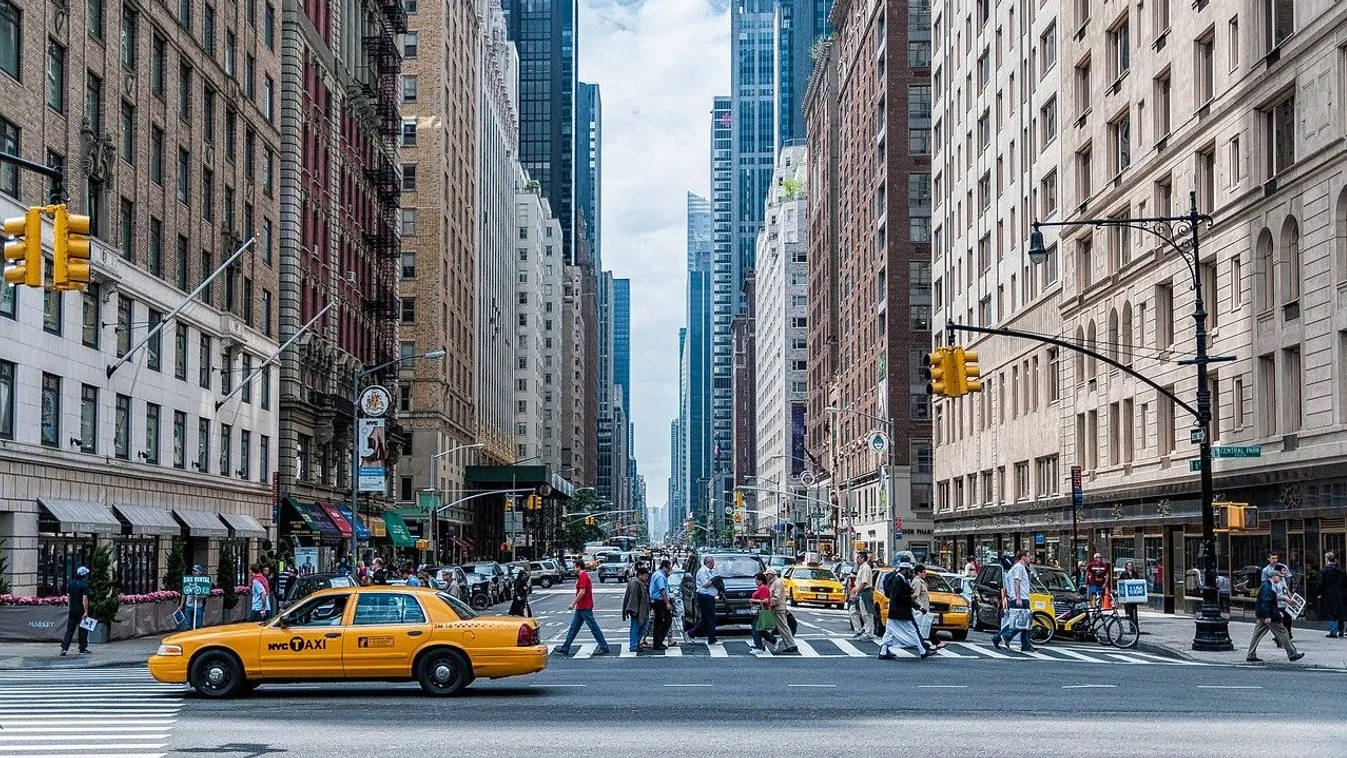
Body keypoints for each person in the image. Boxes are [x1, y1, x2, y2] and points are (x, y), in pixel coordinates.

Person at [554, 561, 611, 656]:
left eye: (574, 567)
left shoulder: (583, 576)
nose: (573, 569)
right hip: (581, 606)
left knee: (593, 627)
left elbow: (582, 591)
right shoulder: (583, 576)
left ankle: (604, 647)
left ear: (579, 567)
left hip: (584, 606)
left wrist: (573, 603)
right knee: (574, 628)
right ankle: (566, 647)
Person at [1247, 570, 1303, 662]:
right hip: (1268, 616)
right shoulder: (1268, 587)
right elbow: (1266, 603)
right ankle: (1292, 654)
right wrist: (1268, 616)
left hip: (1263, 615)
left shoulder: (1269, 586)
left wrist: (1276, 612)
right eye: (1279, 576)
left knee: (1256, 635)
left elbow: (1271, 602)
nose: (1280, 578)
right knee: (1283, 632)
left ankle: (1251, 655)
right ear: (1273, 576)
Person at [877, 562, 929, 660]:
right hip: (900, 613)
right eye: (909, 571)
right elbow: (898, 597)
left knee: (889, 633)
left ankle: (883, 652)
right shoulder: (898, 580)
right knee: (912, 631)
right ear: (904, 570)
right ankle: (922, 651)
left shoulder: (902, 580)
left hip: (895, 612)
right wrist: (917, 605)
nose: (911, 573)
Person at [993, 551, 1036, 652]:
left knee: (1020, 621)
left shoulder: (1014, 569)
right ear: (1023, 557)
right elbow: (1017, 582)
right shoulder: (1019, 568)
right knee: (1022, 621)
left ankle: (1025, 645)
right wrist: (1018, 598)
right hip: (1021, 598)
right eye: (1028, 556)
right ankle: (1006, 636)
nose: (1030, 558)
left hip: (1017, 597)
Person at [911, 565, 947, 652]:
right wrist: (920, 608)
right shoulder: (917, 582)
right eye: (923, 572)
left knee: (924, 627)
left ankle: (928, 643)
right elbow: (915, 596)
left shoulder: (921, 582)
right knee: (924, 627)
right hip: (920, 610)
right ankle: (935, 642)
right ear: (918, 573)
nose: (925, 573)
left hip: (923, 609)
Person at [59, 566, 92, 656]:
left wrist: (70, 606)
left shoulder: (71, 584)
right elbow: (84, 599)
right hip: (80, 610)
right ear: (84, 575)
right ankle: (82, 648)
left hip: (73, 609)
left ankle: (64, 648)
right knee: (83, 630)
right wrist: (86, 611)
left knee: (70, 629)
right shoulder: (84, 585)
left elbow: (68, 596)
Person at [765, 567, 798, 654]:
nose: (766, 576)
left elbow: (777, 597)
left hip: (777, 609)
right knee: (770, 627)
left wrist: (769, 603)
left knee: (782, 627)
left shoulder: (777, 583)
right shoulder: (772, 582)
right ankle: (761, 645)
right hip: (775, 608)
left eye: (767, 574)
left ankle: (791, 645)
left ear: (771, 575)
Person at [622, 565, 652, 651]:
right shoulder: (635, 583)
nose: (646, 578)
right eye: (645, 576)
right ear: (640, 575)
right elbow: (633, 597)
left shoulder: (640, 583)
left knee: (643, 627)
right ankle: (633, 645)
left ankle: (636, 643)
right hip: (637, 610)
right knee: (635, 628)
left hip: (643, 610)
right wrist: (633, 610)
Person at [849, 550, 876, 642]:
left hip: (865, 592)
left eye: (858, 557)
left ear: (863, 558)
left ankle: (869, 633)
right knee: (853, 611)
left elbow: (864, 582)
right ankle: (859, 630)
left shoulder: (866, 567)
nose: (856, 559)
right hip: (860, 592)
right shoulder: (860, 567)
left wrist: (857, 592)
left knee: (866, 614)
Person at [1317, 552, 1346, 638]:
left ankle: (1333, 632)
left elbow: (1320, 583)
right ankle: (1341, 630)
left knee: (1331, 613)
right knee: (1340, 611)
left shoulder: (1324, 571)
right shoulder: (1341, 571)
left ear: (1326, 560)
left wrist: (1319, 593)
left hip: (1329, 594)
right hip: (1341, 594)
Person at [692, 556, 720, 645]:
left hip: (709, 596)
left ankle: (693, 632)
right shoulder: (702, 572)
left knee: (706, 618)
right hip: (705, 596)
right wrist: (714, 580)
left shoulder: (709, 571)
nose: (713, 564)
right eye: (712, 562)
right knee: (710, 618)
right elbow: (706, 584)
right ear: (708, 563)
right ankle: (711, 637)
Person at [748, 572, 779, 652]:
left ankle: (759, 647)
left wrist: (753, 600)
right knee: (759, 629)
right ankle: (772, 641)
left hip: (762, 611)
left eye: (756, 580)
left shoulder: (763, 588)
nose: (755, 581)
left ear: (760, 580)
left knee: (756, 628)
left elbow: (766, 600)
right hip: (759, 610)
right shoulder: (762, 587)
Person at [649, 559, 674, 651]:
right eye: (669, 568)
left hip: (660, 601)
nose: (669, 570)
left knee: (666, 620)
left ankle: (659, 641)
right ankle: (658, 643)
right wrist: (667, 603)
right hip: (660, 601)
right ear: (665, 567)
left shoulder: (660, 575)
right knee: (661, 622)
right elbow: (662, 590)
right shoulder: (660, 576)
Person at [177, 564, 208, 631]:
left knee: (198, 625)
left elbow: (206, 595)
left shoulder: (204, 582)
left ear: (200, 572)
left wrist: (199, 597)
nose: (194, 572)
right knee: (187, 624)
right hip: (189, 605)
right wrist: (181, 605)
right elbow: (184, 593)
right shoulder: (188, 581)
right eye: (193, 571)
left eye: (196, 571)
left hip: (198, 606)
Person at [1118, 561, 1142, 626]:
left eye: (1131, 565)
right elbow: (1120, 582)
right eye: (1128, 565)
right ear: (1126, 566)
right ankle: (1131, 626)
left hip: (1133, 595)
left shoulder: (1135, 573)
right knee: (1129, 611)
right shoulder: (1123, 574)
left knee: (1134, 611)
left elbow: (1138, 582)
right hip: (1127, 595)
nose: (1130, 567)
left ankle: (1135, 626)